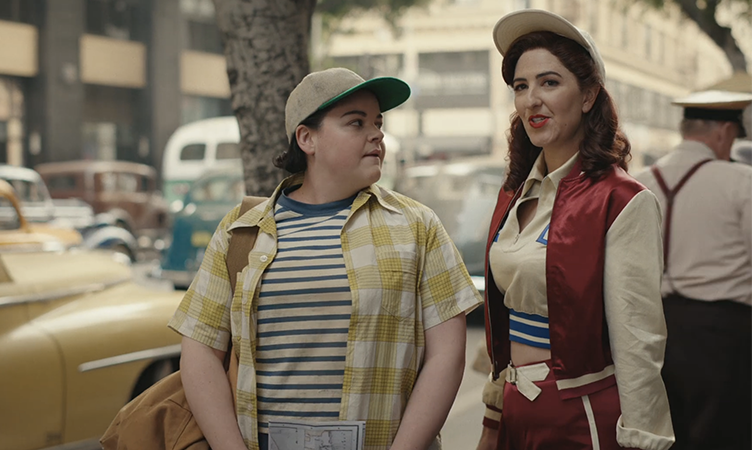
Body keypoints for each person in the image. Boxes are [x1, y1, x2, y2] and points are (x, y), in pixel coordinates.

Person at [168, 67, 482, 450]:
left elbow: (446, 356)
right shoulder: (242, 232)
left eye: (378, 122)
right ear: (307, 138)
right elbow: (200, 350)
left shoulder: (418, 226)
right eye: (356, 122)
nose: (377, 134)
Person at [475, 9, 674, 450]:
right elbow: (503, 313)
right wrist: (493, 415)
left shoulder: (622, 200)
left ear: (587, 97)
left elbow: (639, 338)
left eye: (549, 82)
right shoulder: (514, 193)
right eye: (521, 87)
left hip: (581, 418)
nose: (531, 100)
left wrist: (644, 438)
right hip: (514, 409)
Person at [634, 90, 752, 450]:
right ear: (723, 132)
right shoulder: (741, 181)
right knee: (724, 435)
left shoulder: (637, 182)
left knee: (665, 436)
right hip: (724, 336)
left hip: (651, 333)